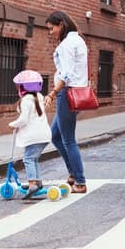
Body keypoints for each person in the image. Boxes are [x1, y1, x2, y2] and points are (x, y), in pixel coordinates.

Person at [44, 11, 89, 194]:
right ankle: (73, 174)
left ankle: (80, 181)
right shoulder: (77, 40)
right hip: (74, 93)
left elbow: (67, 74)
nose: (50, 32)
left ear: (61, 24)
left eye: (52, 28)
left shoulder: (68, 44)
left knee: (68, 139)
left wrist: (53, 93)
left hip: (67, 93)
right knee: (55, 136)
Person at [8, 70, 52, 199]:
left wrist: (13, 124)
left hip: (34, 136)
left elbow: (23, 120)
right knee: (34, 159)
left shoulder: (26, 100)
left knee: (28, 159)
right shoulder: (39, 96)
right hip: (43, 135)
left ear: (24, 87)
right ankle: (37, 182)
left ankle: (32, 183)